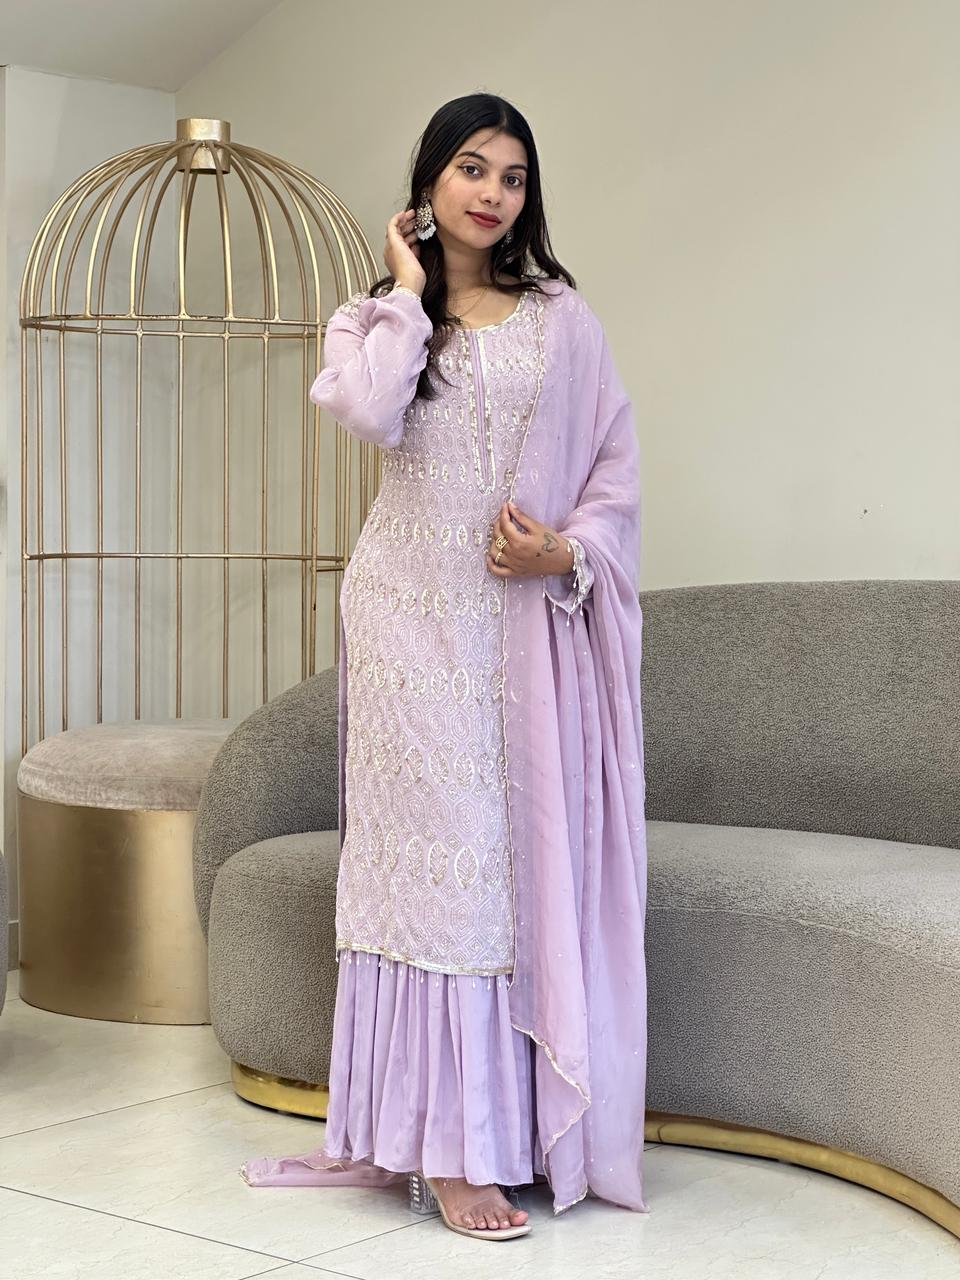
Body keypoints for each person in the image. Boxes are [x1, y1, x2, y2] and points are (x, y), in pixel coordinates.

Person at [240, 91, 649, 1243]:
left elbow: (614, 471)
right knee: (430, 875)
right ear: (429, 181)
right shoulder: (370, 320)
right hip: (403, 626)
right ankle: (447, 1150)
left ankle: (499, 1131)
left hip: (513, 631)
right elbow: (371, 417)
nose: (492, 193)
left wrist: (565, 550)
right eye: (471, 168)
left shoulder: (563, 321)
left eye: (513, 177)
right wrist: (409, 290)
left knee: (496, 877)